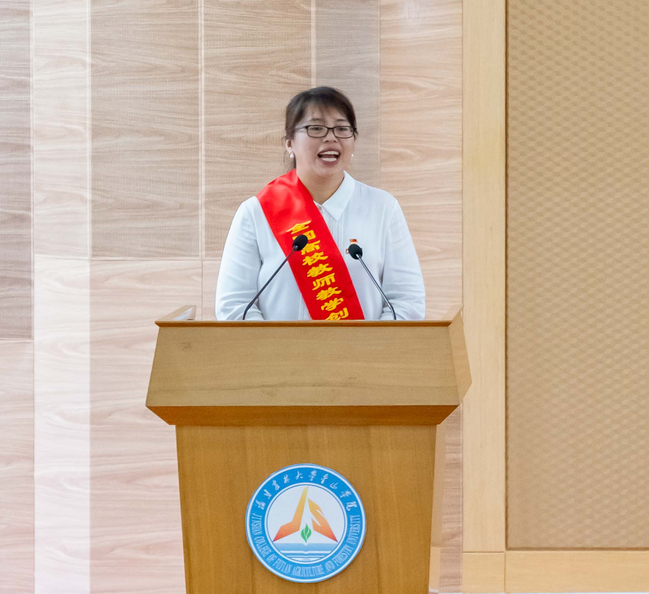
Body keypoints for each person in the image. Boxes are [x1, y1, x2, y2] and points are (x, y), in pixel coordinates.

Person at [215, 86, 425, 321]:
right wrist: (275, 344)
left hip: (364, 347)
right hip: (277, 347)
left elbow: (406, 301)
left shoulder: (383, 208)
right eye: (315, 128)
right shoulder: (256, 212)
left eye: (342, 129)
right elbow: (234, 306)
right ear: (289, 143)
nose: (331, 137)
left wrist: (370, 343)